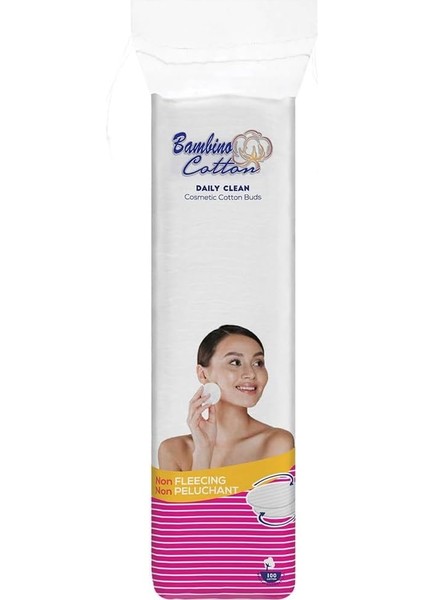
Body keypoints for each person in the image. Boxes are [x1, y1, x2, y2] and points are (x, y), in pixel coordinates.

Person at [158, 325, 294, 470]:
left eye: (258, 363)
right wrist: (203, 451)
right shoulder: (173, 451)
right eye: (235, 362)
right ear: (203, 374)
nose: (251, 373)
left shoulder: (277, 443)